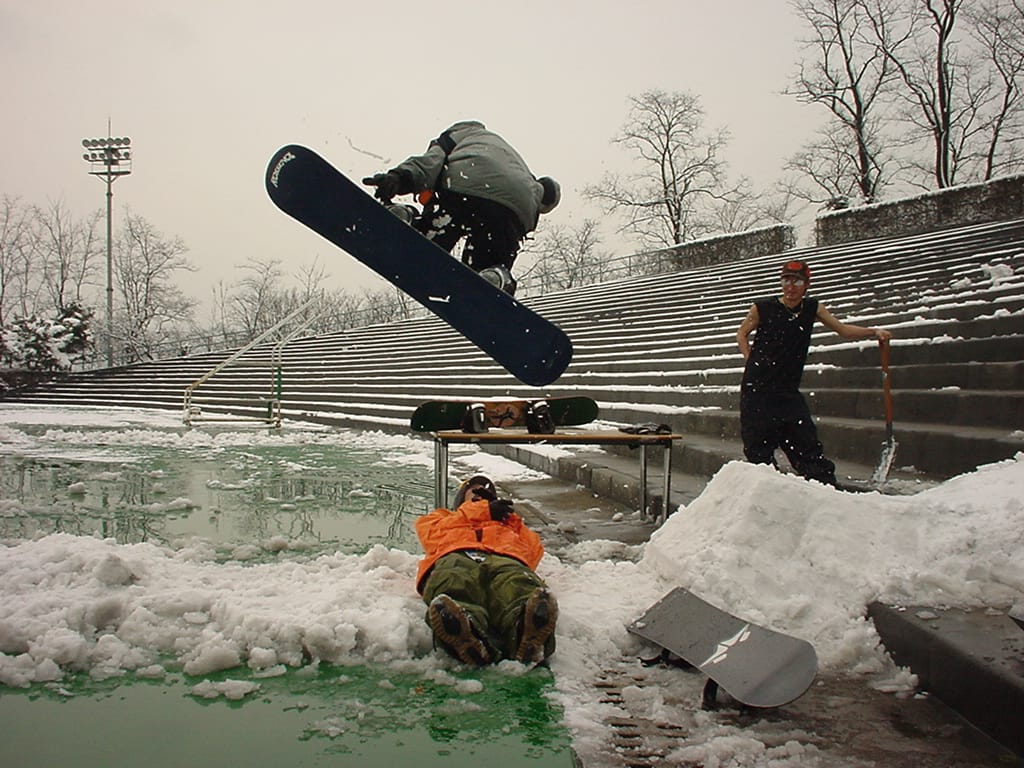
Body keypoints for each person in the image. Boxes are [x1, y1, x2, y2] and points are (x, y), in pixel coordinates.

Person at [735, 259, 893, 486]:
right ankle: (766, 492)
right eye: (786, 281)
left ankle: (824, 488)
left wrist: (874, 332)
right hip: (757, 389)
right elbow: (741, 333)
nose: (791, 287)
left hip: (787, 390)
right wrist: (751, 359)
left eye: (797, 282)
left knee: (804, 442)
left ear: (806, 284)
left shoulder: (812, 309)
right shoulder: (762, 308)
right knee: (758, 448)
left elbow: (843, 330)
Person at [363, 120, 561, 295]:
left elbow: (429, 164)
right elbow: (532, 212)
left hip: (464, 186)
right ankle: (495, 277)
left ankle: (410, 224)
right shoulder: (526, 178)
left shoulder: (461, 137)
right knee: (486, 268)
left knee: (428, 243)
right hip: (512, 210)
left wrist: (399, 178)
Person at [415, 474, 557, 665]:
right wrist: (481, 511)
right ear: (461, 498)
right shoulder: (443, 517)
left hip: (504, 557)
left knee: (517, 582)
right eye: (474, 490)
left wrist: (509, 518)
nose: (480, 495)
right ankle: (466, 631)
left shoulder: (510, 525)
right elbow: (430, 535)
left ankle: (525, 630)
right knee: (453, 579)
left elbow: (532, 551)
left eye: (486, 493)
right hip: (456, 554)